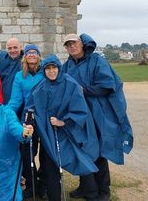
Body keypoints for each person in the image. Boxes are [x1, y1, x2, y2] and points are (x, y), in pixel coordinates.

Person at [62, 33, 134, 201]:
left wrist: (83, 90)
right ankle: (85, 186)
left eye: (74, 43)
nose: (72, 47)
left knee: (98, 152)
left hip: (97, 113)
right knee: (81, 149)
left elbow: (108, 86)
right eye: (68, 45)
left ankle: (103, 190)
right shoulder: (68, 66)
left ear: (81, 43)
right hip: (79, 115)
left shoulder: (96, 61)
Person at [25, 54, 100, 201]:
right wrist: (29, 118)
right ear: (44, 70)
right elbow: (31, 105)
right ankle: (54, 196)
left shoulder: (70, 84)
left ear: (59, 68)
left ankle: (92, 194)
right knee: (51, 166)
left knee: (80, 160)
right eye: (48, 68)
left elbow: (80, 110)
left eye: (54, 68)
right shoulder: (41, 85)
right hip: (48, 134)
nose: (51, 71)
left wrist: (62, 122)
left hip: (68, 132)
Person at [7, 43, 46, 198]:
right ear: (25, 56)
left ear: (38, 56)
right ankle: (31, 184)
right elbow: (16, 100)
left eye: (34, 52)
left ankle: (44, 183)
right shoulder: (19, 76)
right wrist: (4, 112)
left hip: (45, 117)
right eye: (28, 52)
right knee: (27, 153)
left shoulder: (45, 72)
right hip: (28, 118)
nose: (31, 55)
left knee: (47, 154)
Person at [0, 37, 23, 104]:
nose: (12, 50)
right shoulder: (1, 57)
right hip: (3, 101)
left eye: (15, 47)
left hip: (20, 103)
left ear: (20, 47)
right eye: (9, 48)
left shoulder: (25, 60)